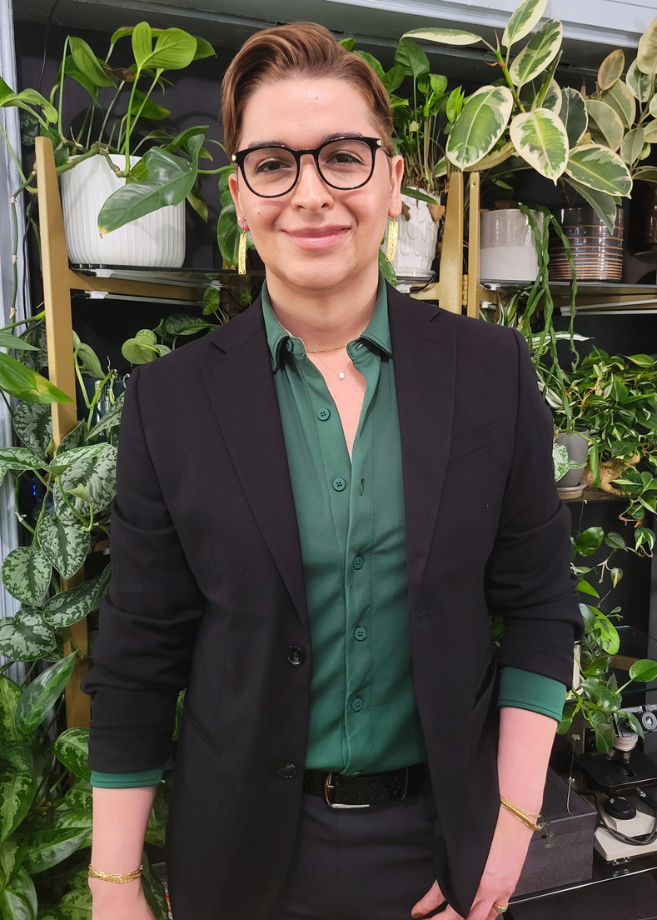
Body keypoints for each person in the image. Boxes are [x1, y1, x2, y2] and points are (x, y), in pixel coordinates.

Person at [82, 22, 583, 920]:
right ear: (238, 195)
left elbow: (540, 604)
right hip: (238, 860)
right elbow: (138, 652)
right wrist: (112, 883)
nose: (310, 194)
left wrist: (509, 829)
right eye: (273, 164)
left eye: (342, 157)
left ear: (393, 182)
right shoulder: (172, 403)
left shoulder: (490, 376)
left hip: (438, 853)